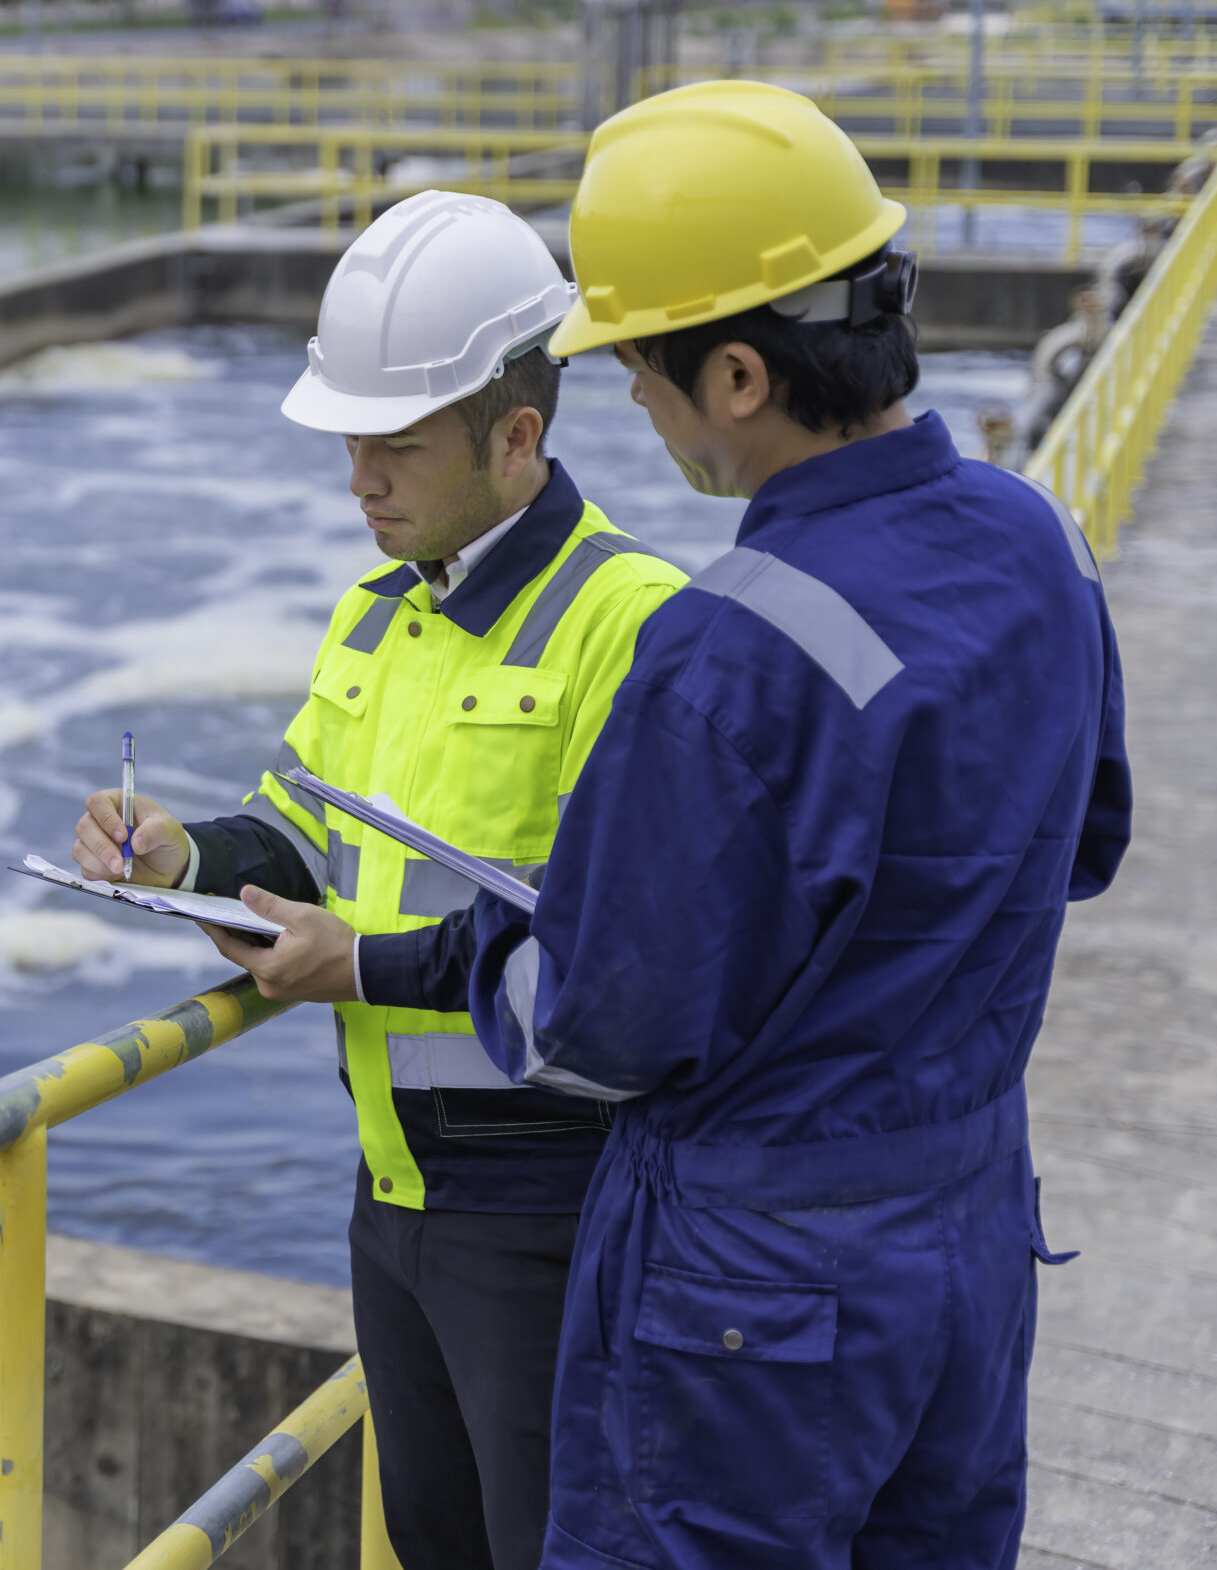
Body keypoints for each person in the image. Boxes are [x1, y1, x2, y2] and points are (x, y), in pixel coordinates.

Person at [432, 80, 1127, 1566]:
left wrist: (508, 930)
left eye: (640, 366)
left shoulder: (727, 648)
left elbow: (597, 1028)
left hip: (755, 1286)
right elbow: (1085, 844)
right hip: (965, 1229)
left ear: (738, 376)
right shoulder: (1042, 540)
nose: (627, 396)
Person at [71, 189, 687, 1570]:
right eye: (349, 441)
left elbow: (612, 942)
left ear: (517, 436)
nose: (361, 478)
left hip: (549, 1208)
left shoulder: (631, 624)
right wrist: (185, 859)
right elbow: (297, 828)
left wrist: (354, 963)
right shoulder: (378, 611)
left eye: (395, 446)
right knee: (429, 1541)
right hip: (395, 1201)